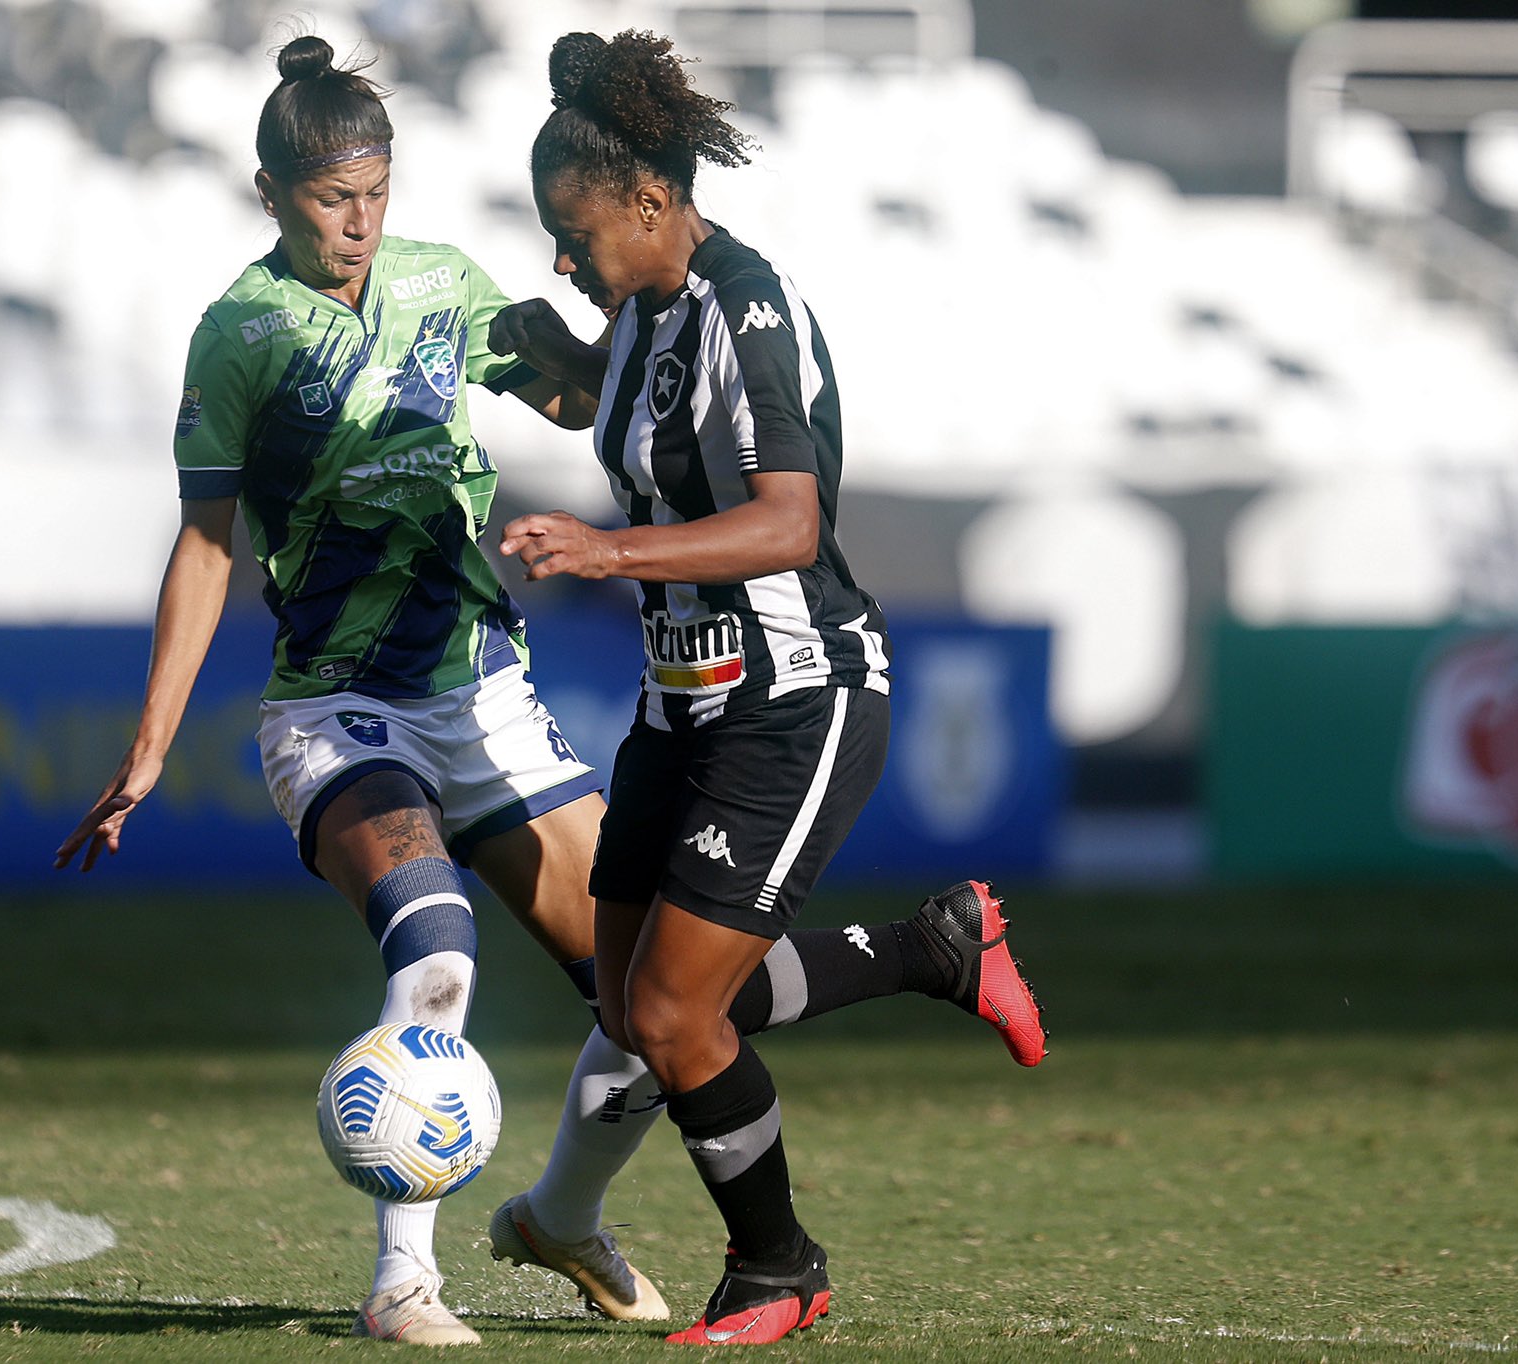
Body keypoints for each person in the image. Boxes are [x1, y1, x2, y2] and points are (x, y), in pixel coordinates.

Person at [55, 32, 1042, 1348]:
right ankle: (405, 1279)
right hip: (339, 704)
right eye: (327, 196)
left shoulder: (478, 290)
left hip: (501, 694)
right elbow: (207, 541)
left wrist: (569, 417)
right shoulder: (241, 335)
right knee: (449, 945)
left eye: (376, 193)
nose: (358, 223)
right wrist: (150, 744)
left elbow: (657, 441)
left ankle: (587, 1206)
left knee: (654, 1011)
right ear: (270, 191)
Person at [490, 29, 1049, 1347]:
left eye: (572, 232)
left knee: (676, 1013)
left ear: (647, 200)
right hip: (679, 701)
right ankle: (930, 950)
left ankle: (778, 1269)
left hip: (796, 693)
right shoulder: (639, 315)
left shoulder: (751, 307)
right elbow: (618, 417)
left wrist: (607, 550)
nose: (562, 259)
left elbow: (787, 522)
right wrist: (540, 362)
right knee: (632, 1009)